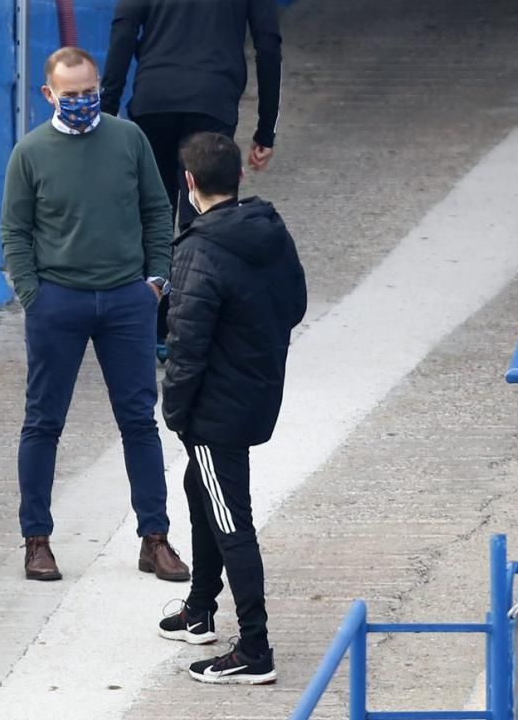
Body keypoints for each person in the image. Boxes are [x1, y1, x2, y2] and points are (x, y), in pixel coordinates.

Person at [0, 46, 189, 583]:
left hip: (128, 301)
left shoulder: (128, 139)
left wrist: (156, 281)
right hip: (57, 301)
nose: (84, 102)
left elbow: (157, 207)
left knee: (139, 421)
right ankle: (37, 541)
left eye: (91, 92)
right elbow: (14, 229)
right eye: (72, 94)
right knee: (43, 422)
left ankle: (155, 538)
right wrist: (34, 296)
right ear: (49, 94)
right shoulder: (31, 152)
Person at [156, 133, 306, 685]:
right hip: (257, 389)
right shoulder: (269, 229)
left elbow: (186, 343)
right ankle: (199, 609)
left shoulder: (199, 247)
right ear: (239, 177)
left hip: (217, 409)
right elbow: (295, 304)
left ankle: (255, 648)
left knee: (228, 518)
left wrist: (175, 410)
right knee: (202, 491)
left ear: (190, 183)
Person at [100, 0, 282, 223]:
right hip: (212, 102)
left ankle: (159, 261)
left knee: (154, 221)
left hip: (154, 100)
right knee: (207, 224)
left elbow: (124, 29)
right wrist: (266, 130)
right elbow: (268, 45)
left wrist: (106, 110)